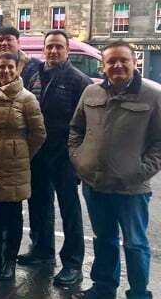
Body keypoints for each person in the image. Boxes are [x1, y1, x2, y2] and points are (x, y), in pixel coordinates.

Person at [69, 41, 161, 299]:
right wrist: (79, 159)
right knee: (104, 239)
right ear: (104, 65)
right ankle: (103, 288)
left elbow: (159, 143)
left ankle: (140, 293)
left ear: (134, 63)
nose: (117, 66)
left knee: (136, 244)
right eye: (111, 61)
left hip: (132, 188)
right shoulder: (91, 92)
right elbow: (75, 130)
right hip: (95, 183)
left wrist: (139, 171)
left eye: (124, 60)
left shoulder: (153, 95)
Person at [19, 30, 91, 286]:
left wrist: (78, 158)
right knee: (39, 203)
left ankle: (73, 264)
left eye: (59, 47)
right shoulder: (33, 73)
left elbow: (85, 125)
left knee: (69, 209)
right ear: (43, 49)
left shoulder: (78, 80)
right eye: (49, 46)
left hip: (64, 156)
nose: (53, 51)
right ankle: (42, 250)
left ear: (67, 50)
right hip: (37, 152)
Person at [0, 52, 46, 281]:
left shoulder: (27, 98)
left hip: (15, 163)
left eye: (10, 67)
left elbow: (38, 133)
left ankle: (9, 262)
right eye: (1, 67)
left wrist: (22, 153)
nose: (5, 71)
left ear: (17, 69)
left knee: (13, 216)